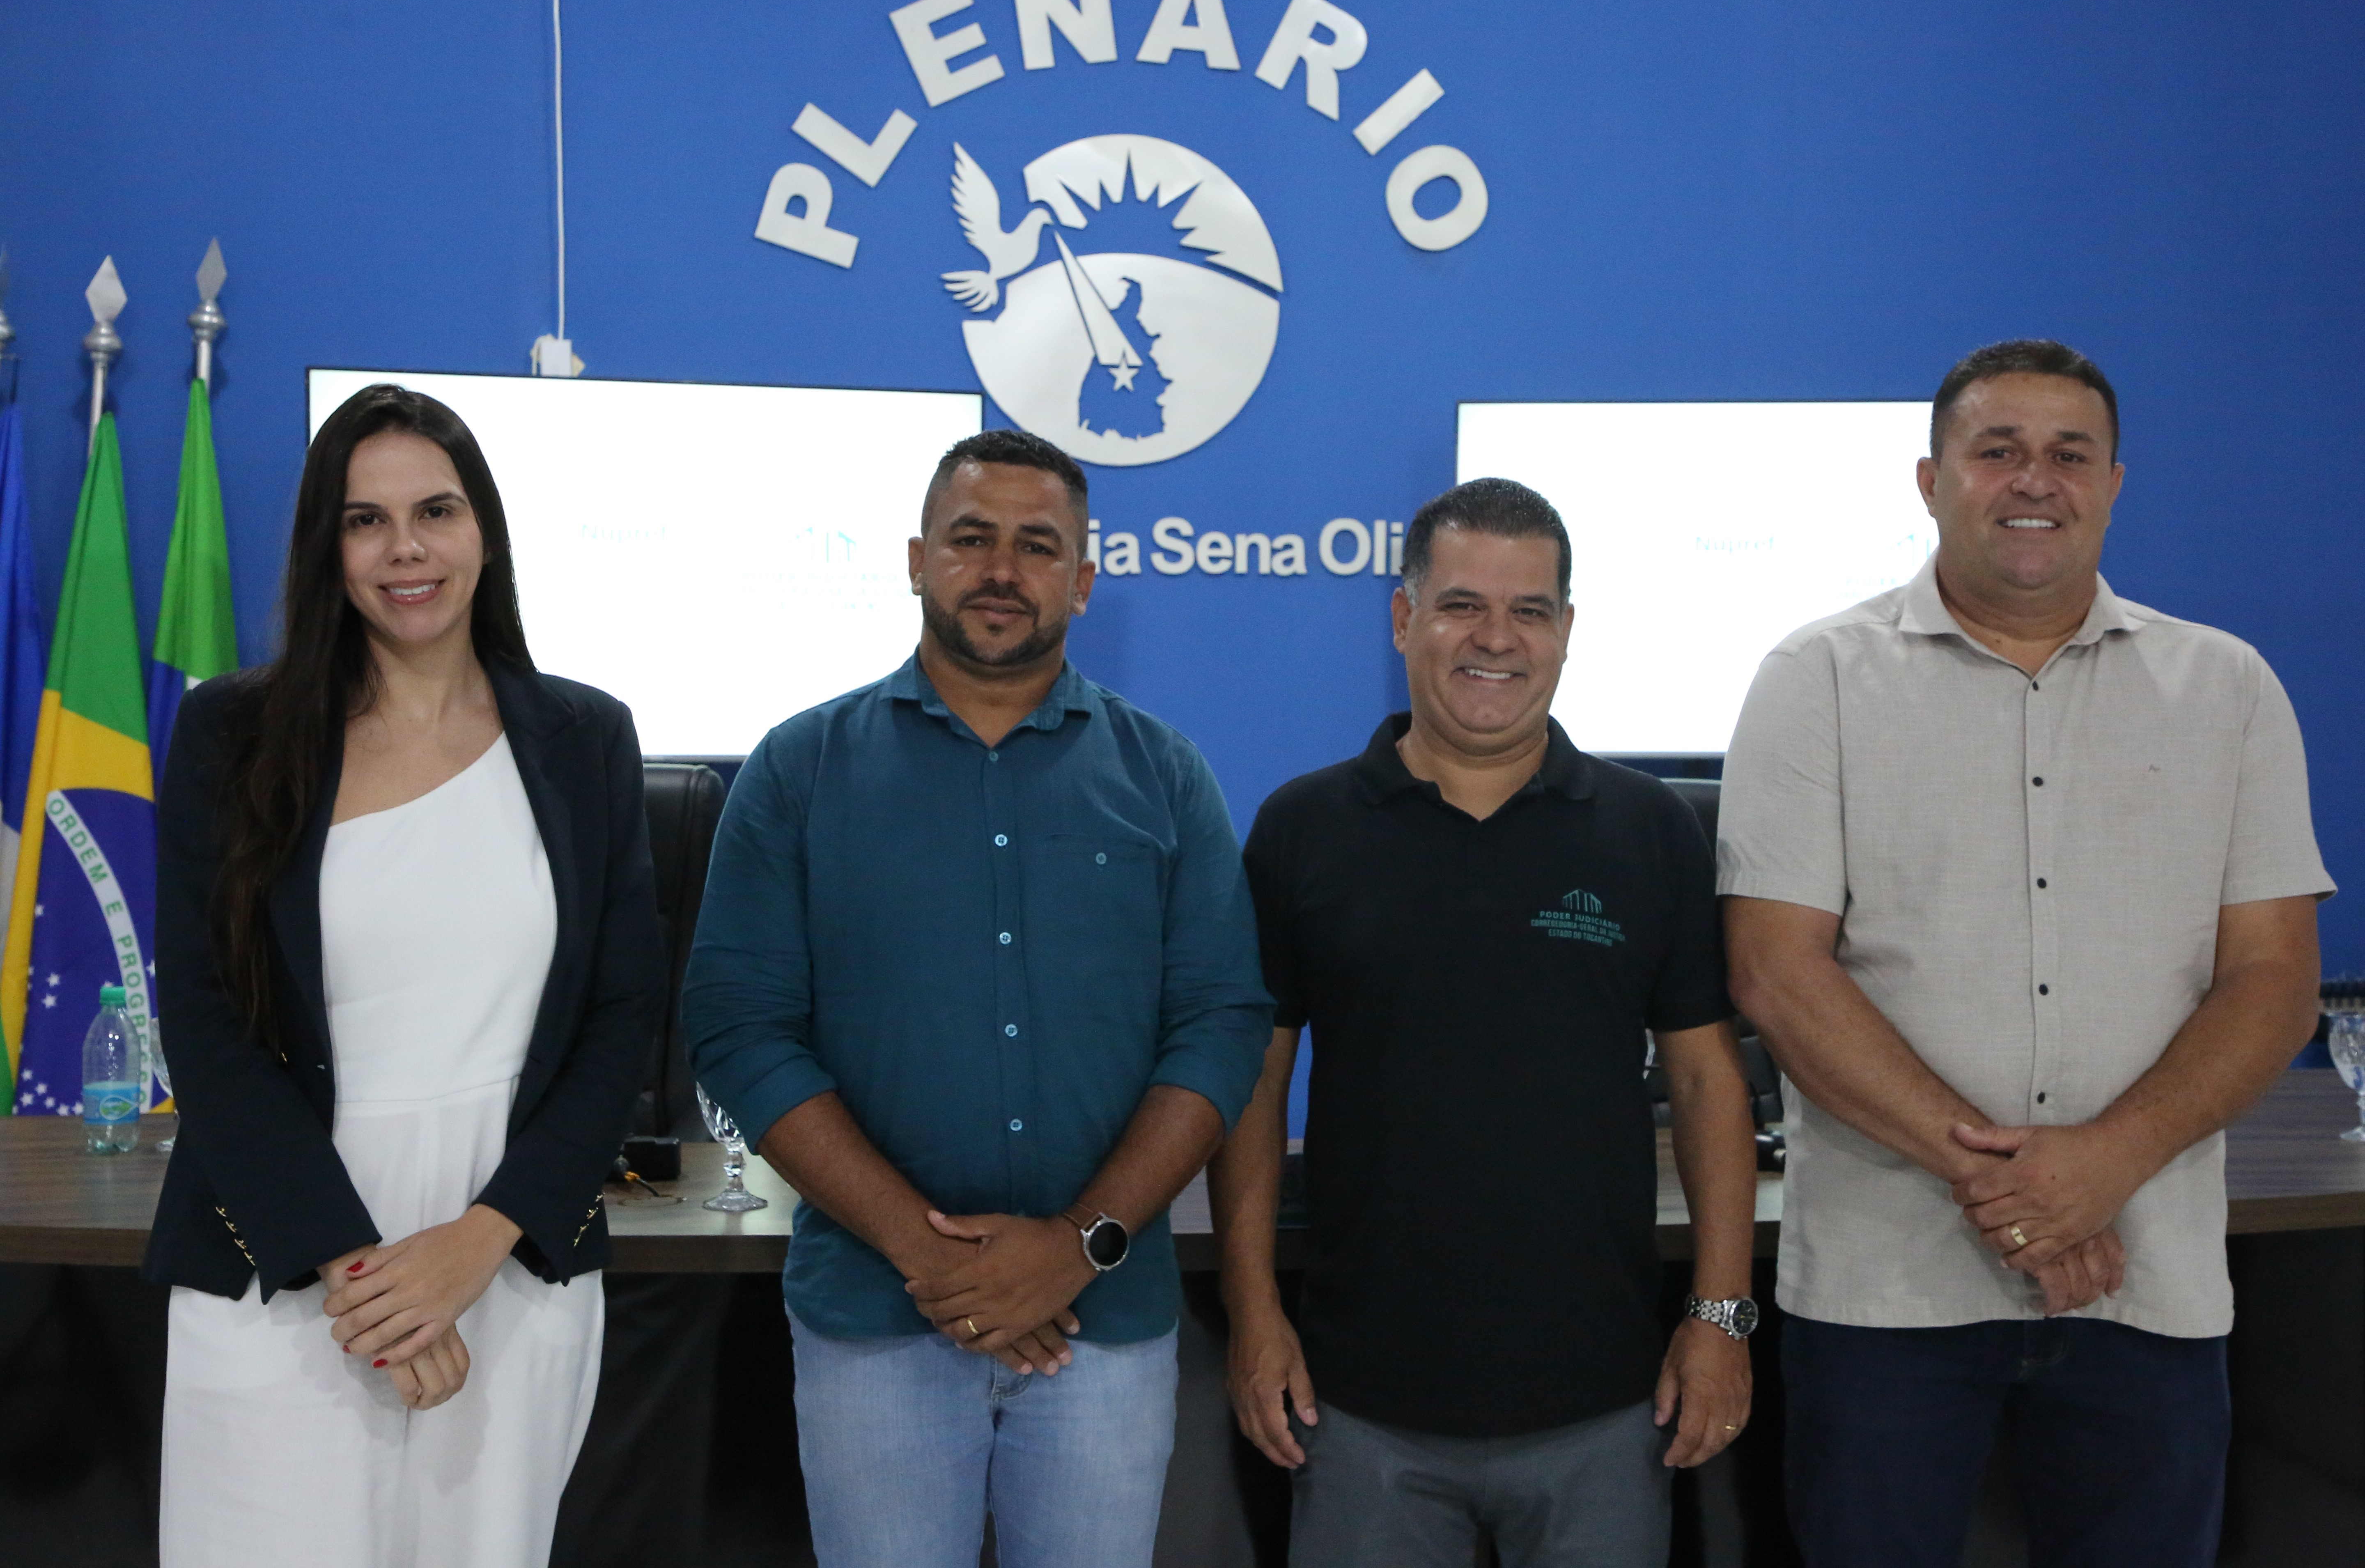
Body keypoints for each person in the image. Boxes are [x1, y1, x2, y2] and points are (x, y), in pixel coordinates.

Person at [1719, 339, 2331, 1567]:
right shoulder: (1815, 678)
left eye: (2069, 454)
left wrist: (2108, 1163)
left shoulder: (2229, 688)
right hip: (1885, 1295)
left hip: (2149, 1282)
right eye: (1996, 451)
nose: (2034, 480)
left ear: (2114, 484)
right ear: (1930, 480)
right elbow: (1777, 973)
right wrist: (2028, 1199)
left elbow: (2275, 978)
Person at [682, 427, 1270, 1568]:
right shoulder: (799, 770)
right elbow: (741, 1028)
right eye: (971, 538)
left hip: (1103, 1328)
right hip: (873, 1324)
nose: (1002, 570)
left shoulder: (1166, 777)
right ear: (916, 560)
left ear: (1083, 581)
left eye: (1038, 546)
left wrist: (1078, 1247)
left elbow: (1220, 1026)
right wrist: (931, 1256)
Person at [144, 384, 664, 1567]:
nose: (406, 549)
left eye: (436, 510)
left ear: (484, 528)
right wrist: (362, 1274)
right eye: (364, 521)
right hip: (284, 1257)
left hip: (512, 1257)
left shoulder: (585, 738)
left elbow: (622, 1011)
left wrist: (476, 1244)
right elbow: (209, 1022)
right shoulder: (234, 733)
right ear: (325, 548)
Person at [1212, 478, 1763, 1567]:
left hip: (1607, 1401)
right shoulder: (1303, 828)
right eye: (1462, 605)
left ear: (1568, 629)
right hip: (1358, 1403)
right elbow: (1253, 1084)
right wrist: (1253, 1311)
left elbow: (1709, 1085)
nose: (1497, 639)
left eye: (1530, 611)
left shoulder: (1651, 830)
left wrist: (1721, 1315)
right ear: (1403, 617)